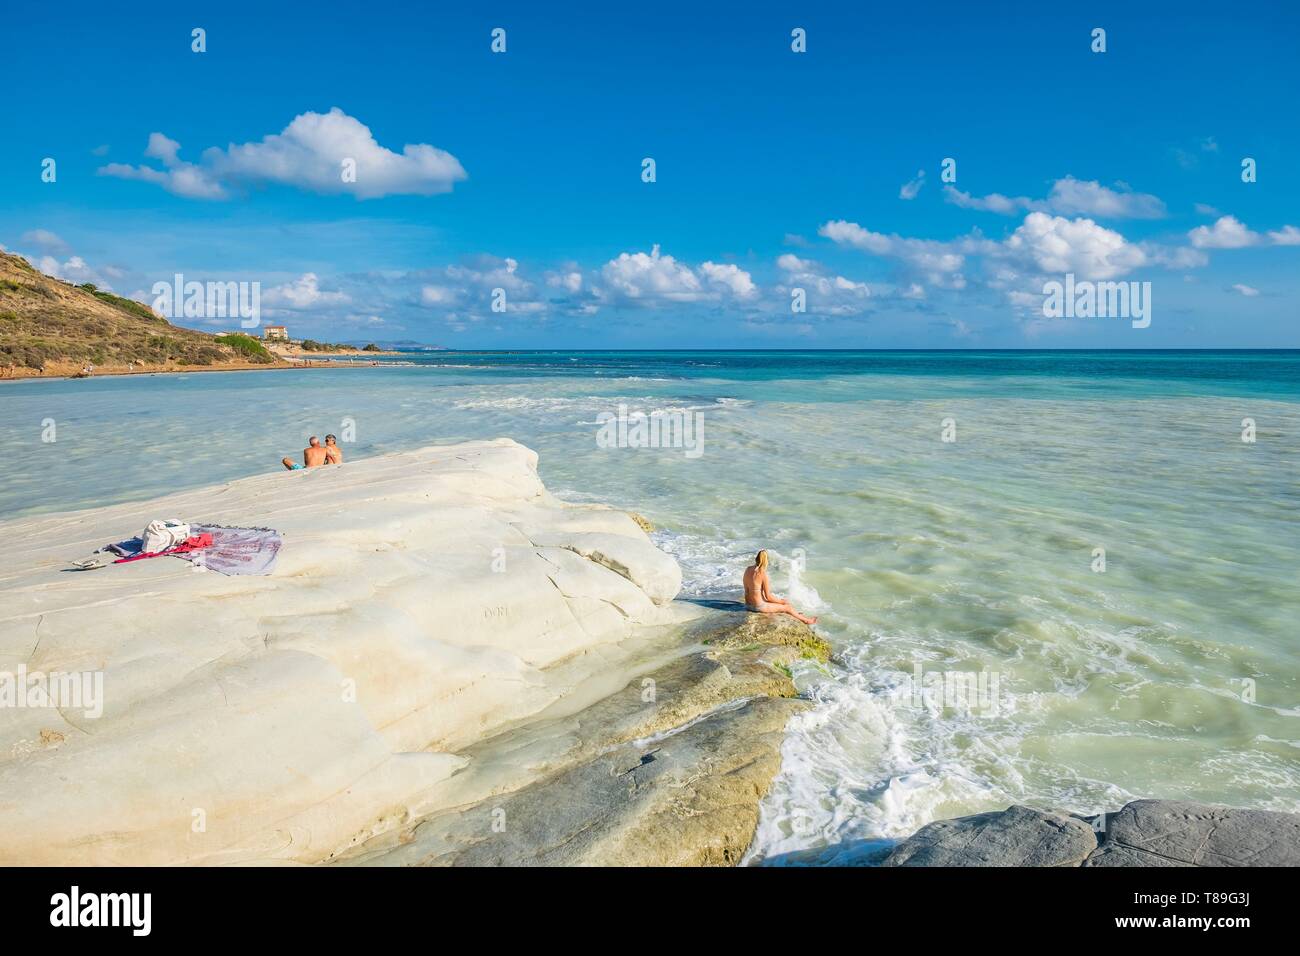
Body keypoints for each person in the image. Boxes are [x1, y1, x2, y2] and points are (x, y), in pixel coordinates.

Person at [743, 549, 817, 625]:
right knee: (787, 607)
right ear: (766, 561)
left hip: (748, 605)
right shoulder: (762, 574)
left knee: (781, 604)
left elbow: (747, 591)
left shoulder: (747, 569)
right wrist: (782, 601)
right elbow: (768, 597)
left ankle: (797, 614)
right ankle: (806, 620)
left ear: (756, 558)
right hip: (758, 607)